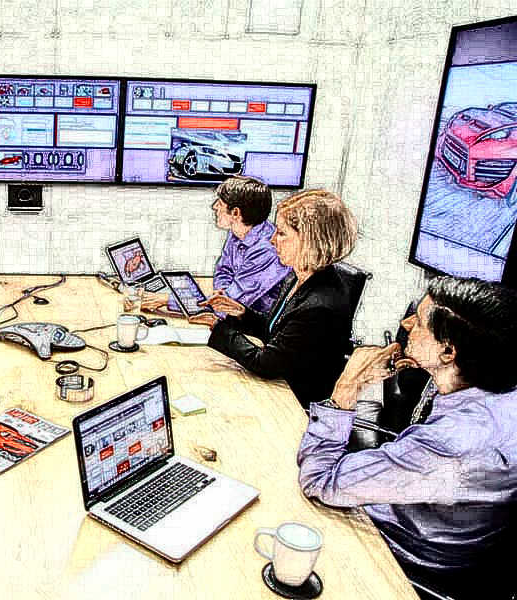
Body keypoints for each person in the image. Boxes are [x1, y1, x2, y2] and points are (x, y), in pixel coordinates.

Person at [297, 277, 517, 599]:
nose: (406, 323)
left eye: (420, 322)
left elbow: (319, 480)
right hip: (434, 532)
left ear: (448, 351)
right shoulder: (497, 392)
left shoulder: (447, 446)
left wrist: (346, 388)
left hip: (394, 563)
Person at [200, 189, 359, 408]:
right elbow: (279, 332)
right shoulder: (297, 275)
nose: (273, 240)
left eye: (282, 233)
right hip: (278, 385)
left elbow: (266, 363)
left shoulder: (320, 306)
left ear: (309, 241)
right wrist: (241, 313)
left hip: (294, 403)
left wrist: (220, 329)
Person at [210, 176, 290, 312]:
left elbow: (234, 302)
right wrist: (222, 291)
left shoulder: (267, 248)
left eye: (220, 203)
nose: (214, 206)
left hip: (258, 321)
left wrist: (219, 302)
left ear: (235, 213)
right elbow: (223, 270)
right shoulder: (237, 231)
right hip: (237, 313)